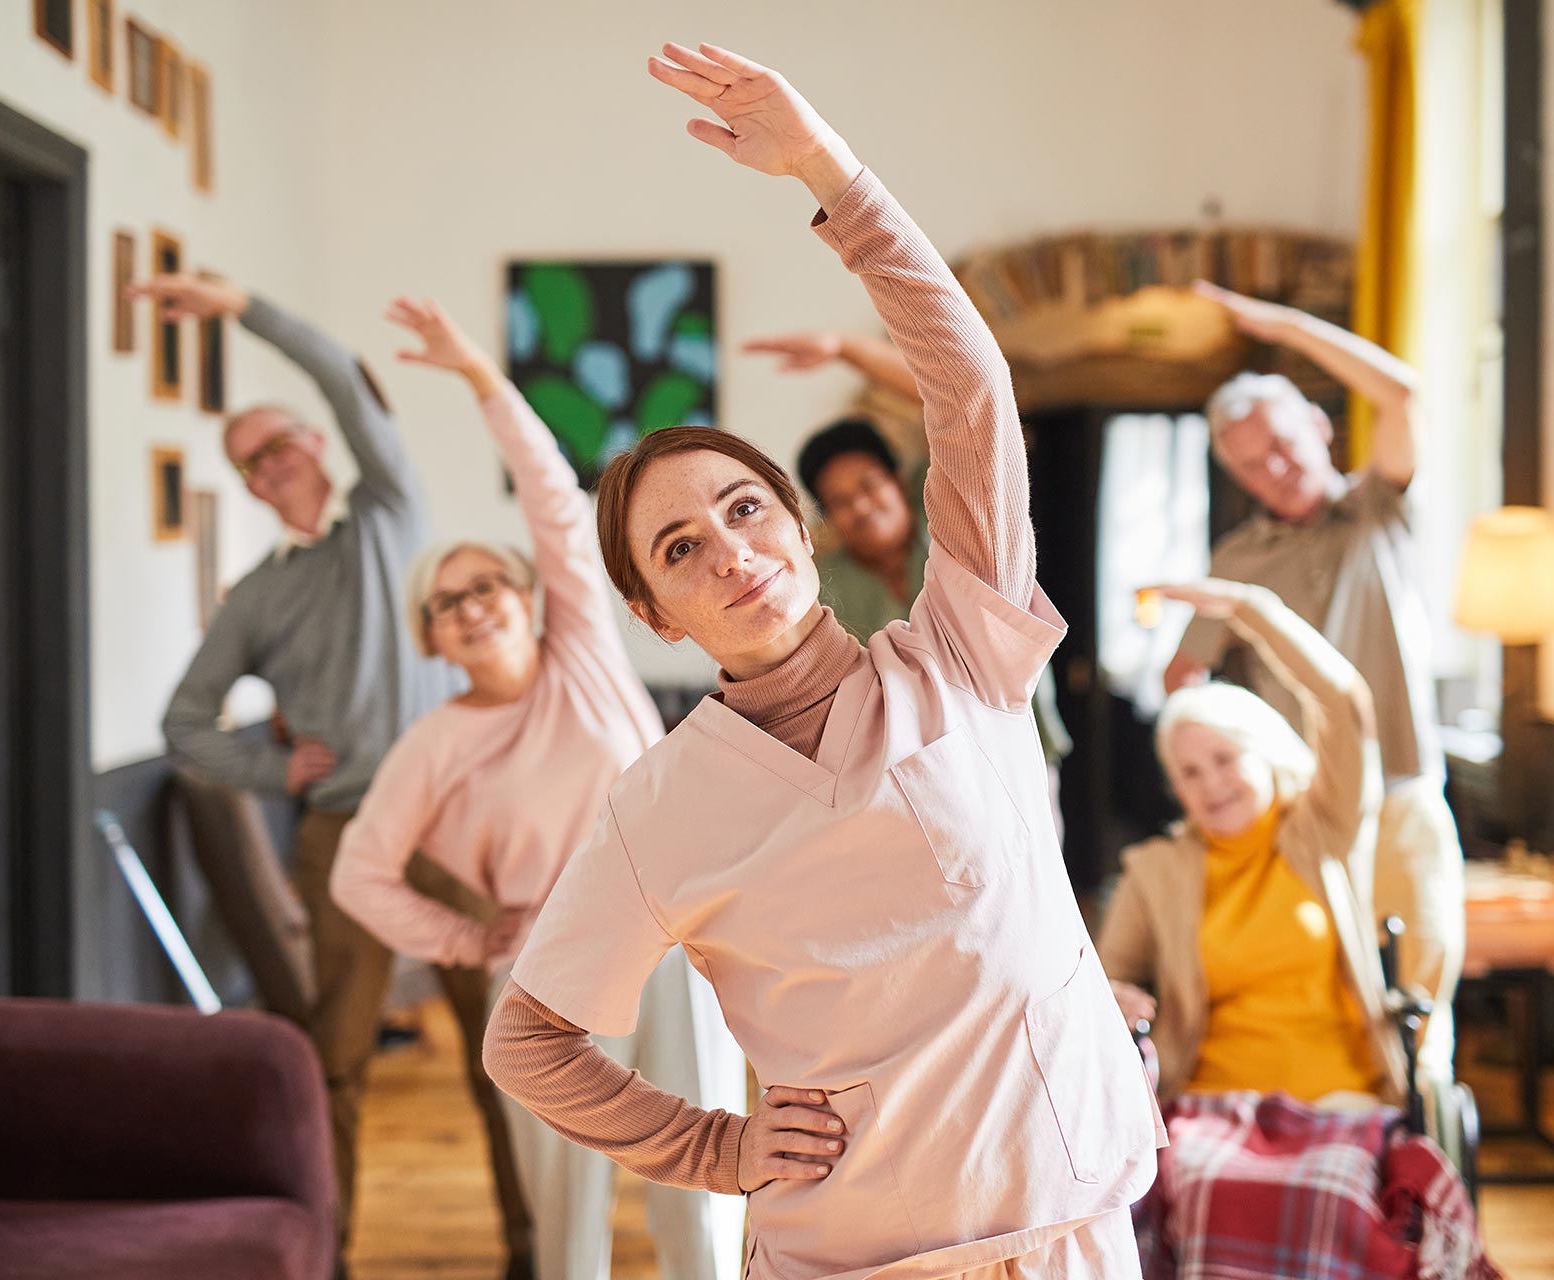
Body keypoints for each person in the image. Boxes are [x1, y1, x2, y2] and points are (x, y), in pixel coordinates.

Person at [484, 42, 1161, 1280]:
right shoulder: (659, 804)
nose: (730, 551)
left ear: (800, 529)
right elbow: (526, 1041)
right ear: (655, 614)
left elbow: (971, 390)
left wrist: (830, 173)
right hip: (852, 1250)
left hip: (1064, 1218)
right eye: (681, 548)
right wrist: (714, 1144)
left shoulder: (959, 648)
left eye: (745, 509)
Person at [329, 297, 746, 1280]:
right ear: (430, 636)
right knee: (566, 1213)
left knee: (704, 1190)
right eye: (446, 601)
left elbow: (554, 497)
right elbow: (359, 874)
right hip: (549, 964)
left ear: (528, 596)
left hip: (675, 936)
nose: (471, 606)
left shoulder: (584, 656)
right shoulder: (432, 744)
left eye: (487, 585)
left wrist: (481, 375)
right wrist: (466, 940)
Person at [148, 274, 527, 1270]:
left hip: (454, 825)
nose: (267, 466)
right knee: (338, 1067)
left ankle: (535, 1249)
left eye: (277, 443)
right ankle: (329, 1258)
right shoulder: (257, 598)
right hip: (342, 837)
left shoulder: (390, 515)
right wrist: (270, 770)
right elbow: (183, 723)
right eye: (249, 463)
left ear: (317, 443)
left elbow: (347, 383)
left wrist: (241, 308)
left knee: (507, 1056)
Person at [1161, 283, 1464, 1075]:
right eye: (1251, 463)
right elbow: (1185, 678)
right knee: (1328, 1011)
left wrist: (1285, 328)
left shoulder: (1378, 509)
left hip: (1401, 794)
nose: (1274, 468)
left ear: (1321, 427)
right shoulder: (1236, 560)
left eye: (1283, 443)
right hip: (1303, 817)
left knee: (1418, 1018)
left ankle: (1422, 1140)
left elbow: (1402, 394)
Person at [743, 340, 1075, 837]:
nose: (860, 506)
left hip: (1017, 746)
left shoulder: (947, 526)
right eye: (840, 501)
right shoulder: (823, 586)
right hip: (913, 784)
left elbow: (959, 404)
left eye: (868, 485)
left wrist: (846, 350)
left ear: (898, 481)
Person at [1099, 580, 1406, 1107]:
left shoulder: (1324, 830)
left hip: (1337, 1103)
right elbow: (1107, 982)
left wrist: (1252, 610)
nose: (1211, 785)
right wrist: (1113, 999)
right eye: (1190, 773)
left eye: (1225, 759)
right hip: (1208, 1107)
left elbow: (1345, 704)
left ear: (1266, 754)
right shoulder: (1154, 870)